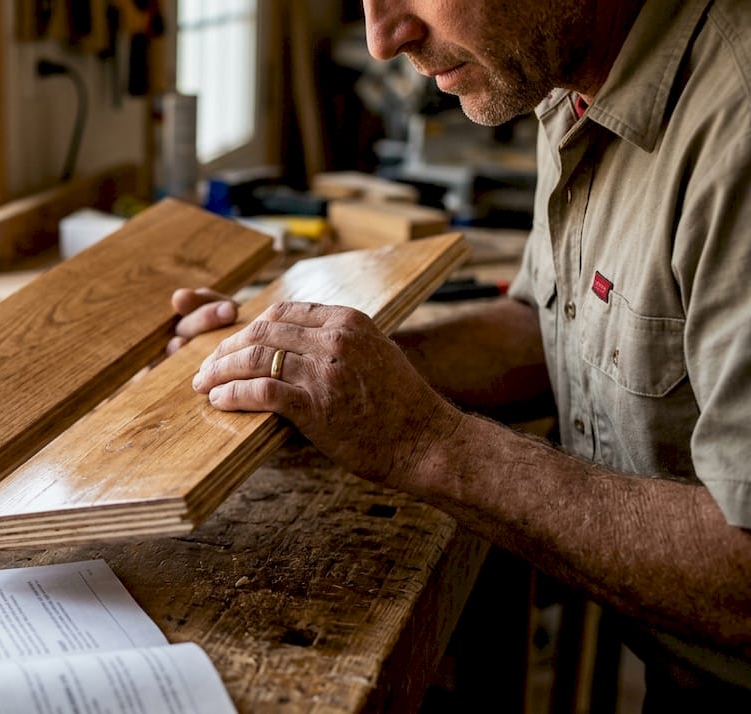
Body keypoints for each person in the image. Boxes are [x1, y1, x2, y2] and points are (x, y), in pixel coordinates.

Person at [172, 0, 751, 707]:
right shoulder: (570, 79)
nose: (384, 39)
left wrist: (423, 442)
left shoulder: (737, 123)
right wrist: (323, 371)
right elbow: (550, 324)